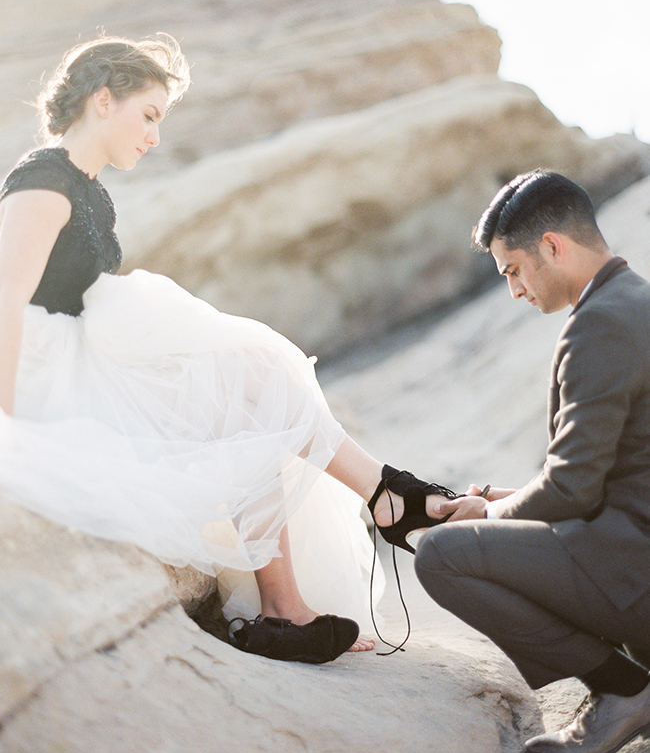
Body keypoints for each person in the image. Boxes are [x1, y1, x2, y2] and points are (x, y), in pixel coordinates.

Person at [0, 33, 454, 665]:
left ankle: (286, 608)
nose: (155, 136)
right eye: (149, 115)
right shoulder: (43, 182)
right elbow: (5, 301)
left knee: (253, 389)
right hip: (42, 377)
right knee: (248, 378)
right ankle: (388, 496)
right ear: (103, 101)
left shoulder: (90, 193)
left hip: (82, 363)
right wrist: (8, 428)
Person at [414, 169, 650, 753]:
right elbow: (617, 473)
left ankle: (627, 692)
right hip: (633, 551)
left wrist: (490, 513)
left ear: (552, 246)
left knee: (442, 555)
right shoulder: (635, 300)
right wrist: (503, 500)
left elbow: (573, 487)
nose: (515, 290)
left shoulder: (600, 323)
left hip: (636, 573)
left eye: (514, 270)